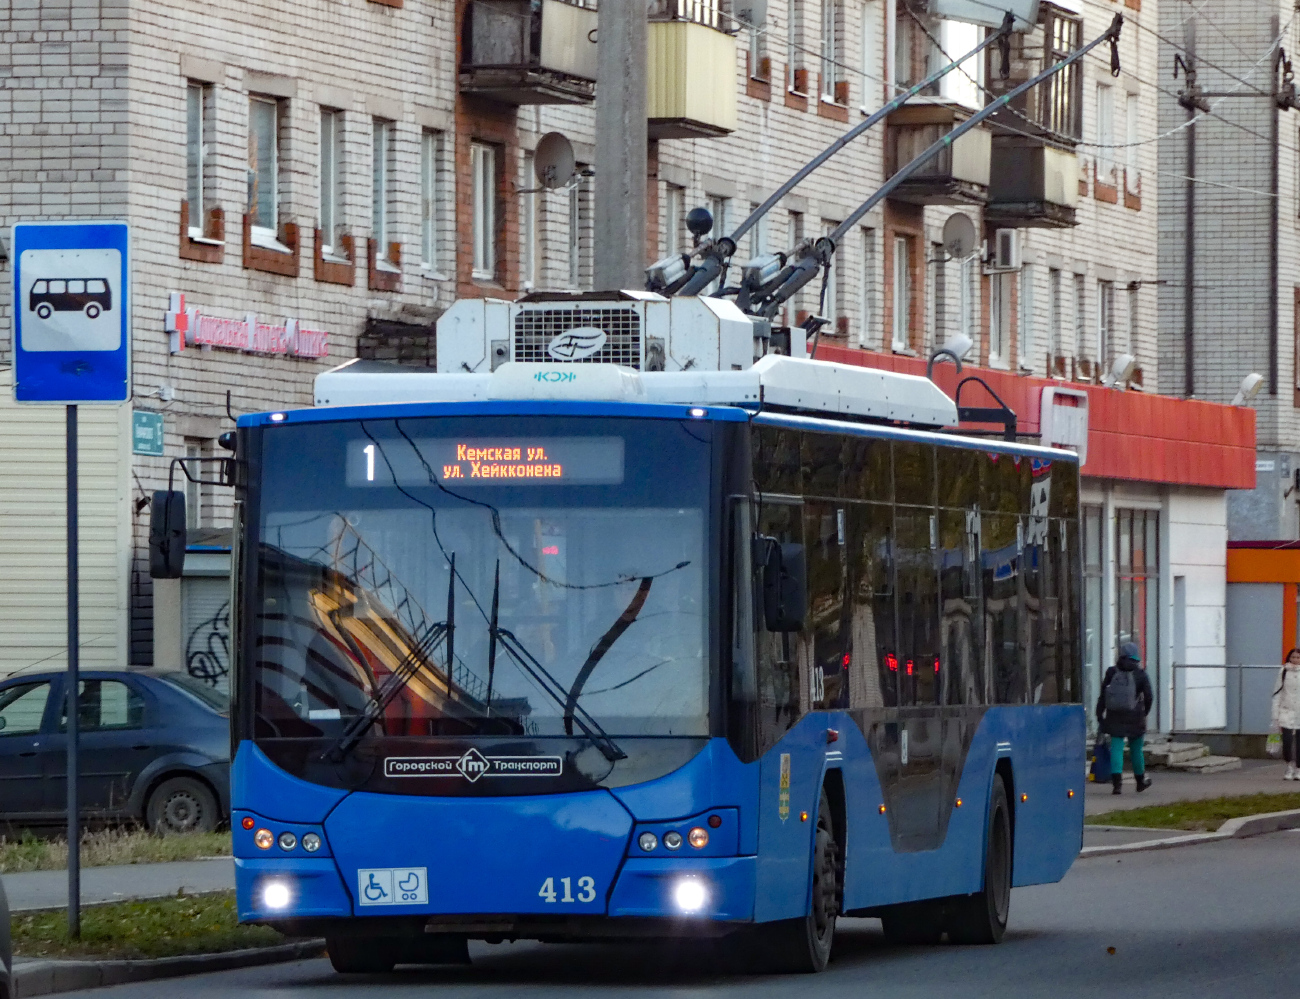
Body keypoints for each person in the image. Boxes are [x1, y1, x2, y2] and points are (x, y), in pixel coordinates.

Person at [1096, 642, 1154, 794]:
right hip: (1136, 716)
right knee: (1136, 750)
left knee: (1116, 749)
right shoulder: (1140, 674)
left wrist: (1099, 713)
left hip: (1114, 716)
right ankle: (1140, 782)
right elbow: (1149, 696)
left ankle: (1117, 785)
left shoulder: (1111, 672)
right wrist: (1144, 712)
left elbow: (1103, 694)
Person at [1271, 648, 1300, 780]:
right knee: (1287, 741)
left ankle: (1298, 769)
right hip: (1286, 711)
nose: (1295, 660)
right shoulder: (1283, 672)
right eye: (1293, 657)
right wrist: (1275, 715)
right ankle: (1289, 766)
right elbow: (1277, 694)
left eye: (1298, 658)